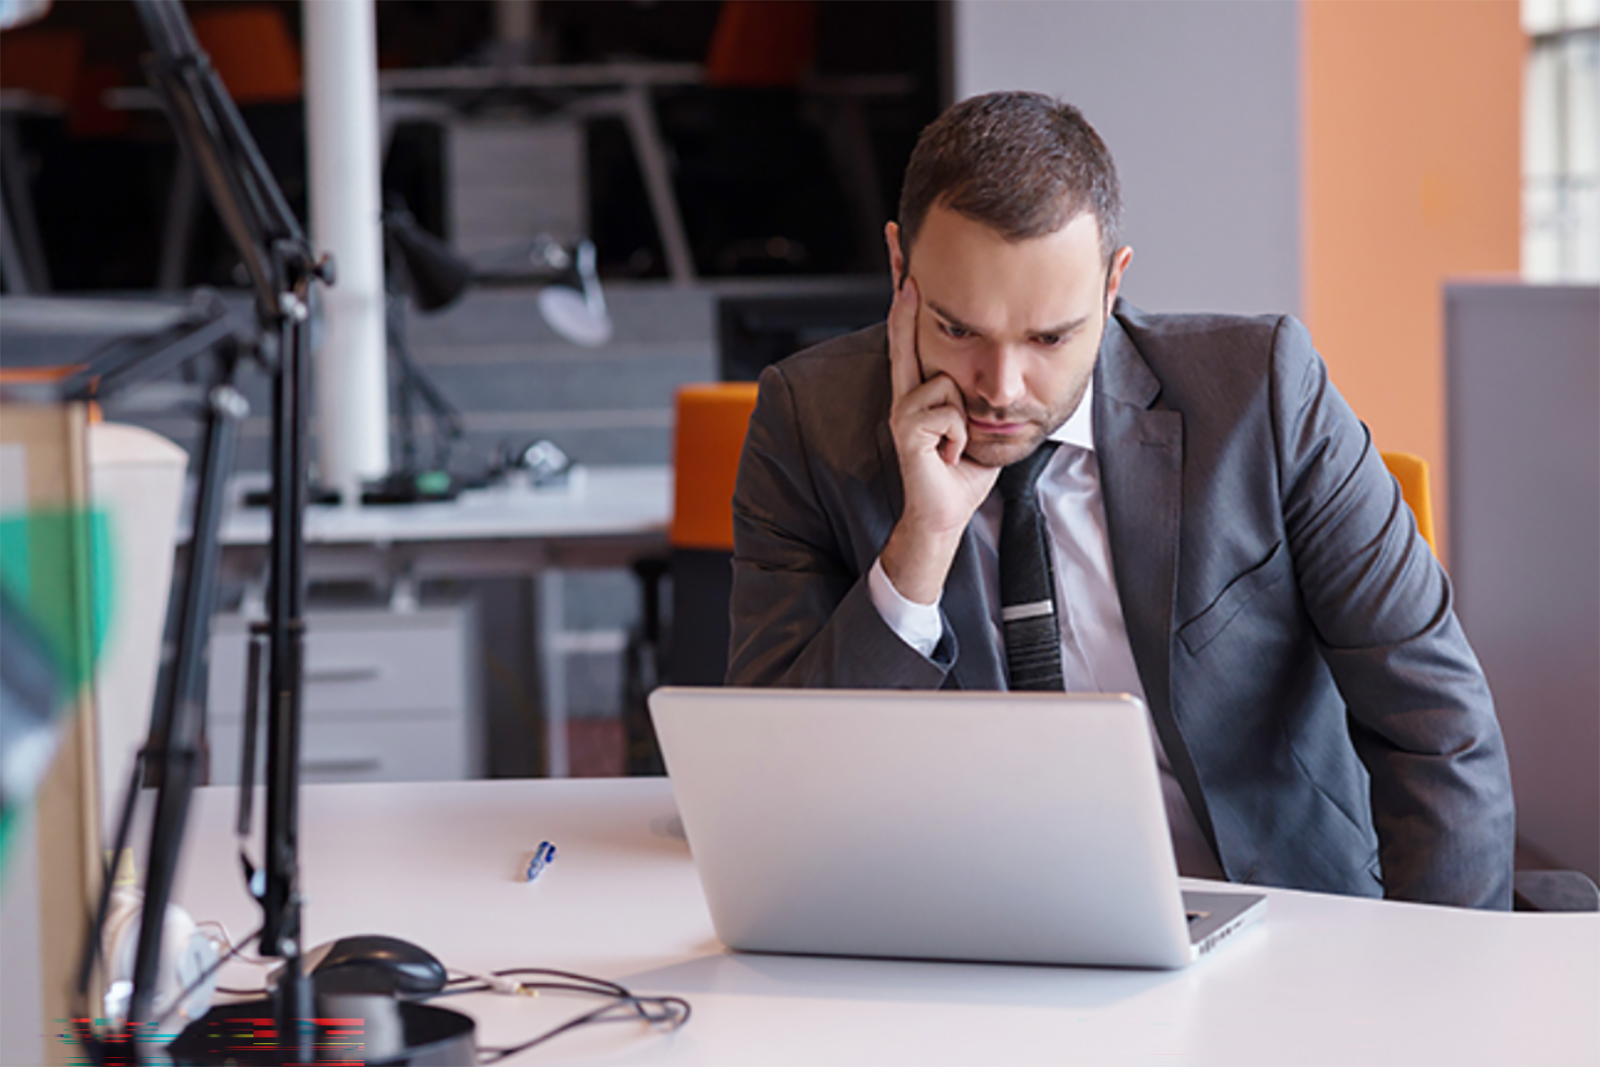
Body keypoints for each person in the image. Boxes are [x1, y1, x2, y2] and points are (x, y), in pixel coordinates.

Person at [725, 91, 1515, 909]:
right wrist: (920, 546)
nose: (1001, 388)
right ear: (900, 270)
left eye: (1048, 338)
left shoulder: (1261, 396)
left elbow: (1438, 731)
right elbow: (765, 790)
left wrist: (1439, 986)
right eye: (959, 330)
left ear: (1113, 284)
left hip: (1276, 930)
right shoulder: (807, 421)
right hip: (962, 947)